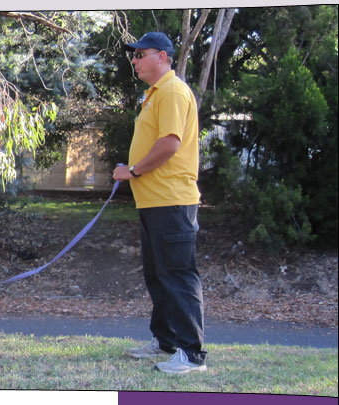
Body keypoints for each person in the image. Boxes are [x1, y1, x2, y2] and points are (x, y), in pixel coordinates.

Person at [112, 32, 206, 374]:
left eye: (140, 54)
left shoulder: (173, 91)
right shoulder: (154, 95)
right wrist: (133, 172)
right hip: (153, 202)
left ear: (162, 57)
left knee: (178, 275)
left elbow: (169, 144)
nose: (134, 60)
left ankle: (192, 355)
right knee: (158, 275)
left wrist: (132, 170)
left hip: (172, 201)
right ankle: (166, 341)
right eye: (133, 56)